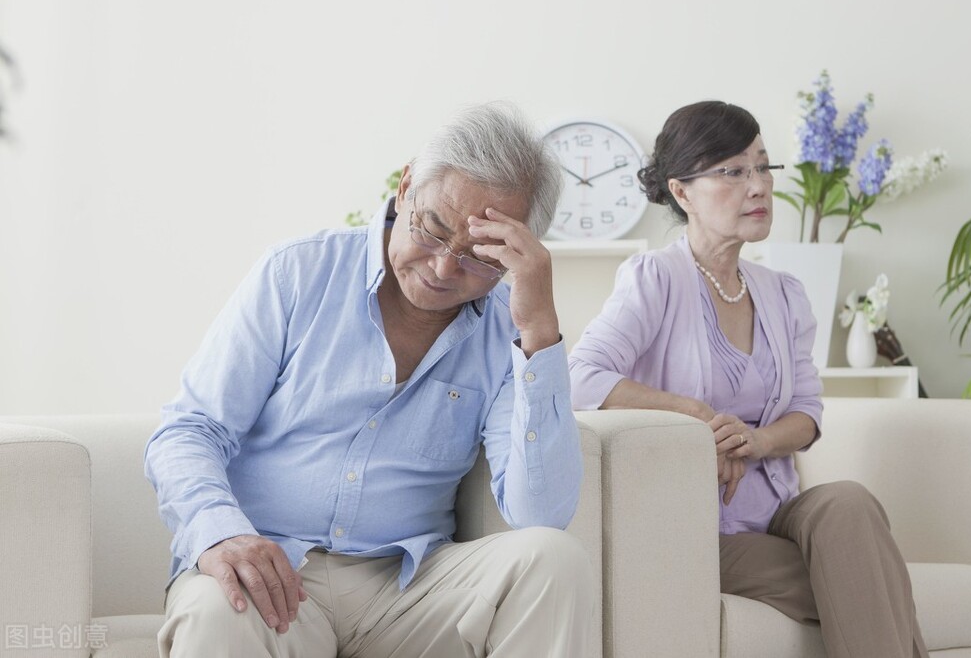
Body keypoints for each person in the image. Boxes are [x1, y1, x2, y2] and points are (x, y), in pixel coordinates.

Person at [146, 102, 592, 658]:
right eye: (432, 230)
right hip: (271, 573)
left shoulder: (511, 332)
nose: (443, 268)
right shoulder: (297, 273)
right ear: (405, 188)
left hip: (409, 588)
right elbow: (190, 430)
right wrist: (220, 531)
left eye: (479, 256)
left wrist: (539, 332)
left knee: (554, 559)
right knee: (218, 611)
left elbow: (539, 516)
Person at [569, 101, 927, 658]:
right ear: (682, 192)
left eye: (763, 166)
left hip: (779, 512)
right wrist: (699, 420)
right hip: (695, 525)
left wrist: (753, 441)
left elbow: (807, 412)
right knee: (867, 575)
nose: (758, 186)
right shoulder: (656, 278)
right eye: (733, 171)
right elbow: (580, 377)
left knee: (849, 504)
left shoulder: (783, 293)